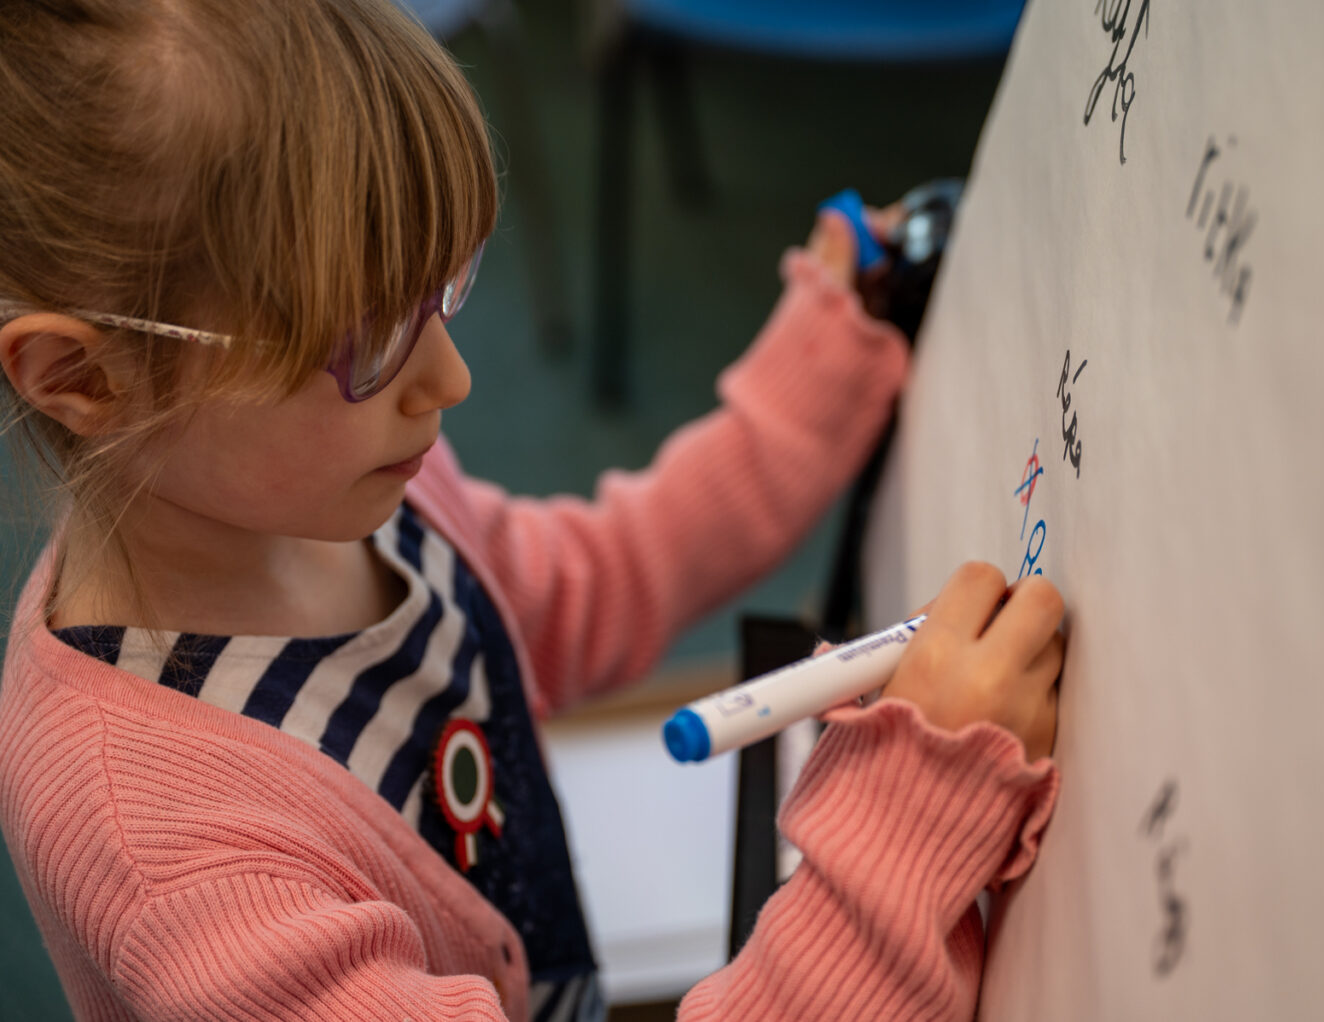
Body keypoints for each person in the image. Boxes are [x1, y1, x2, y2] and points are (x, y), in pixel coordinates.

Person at [0, 1, 1065, 1019]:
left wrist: (815, 375)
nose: (450, 379)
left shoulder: (345, 484)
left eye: (443, 289)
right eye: (366, 337)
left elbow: (589, 587)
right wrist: (907, 821)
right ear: (82, 379)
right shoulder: (177, 868)